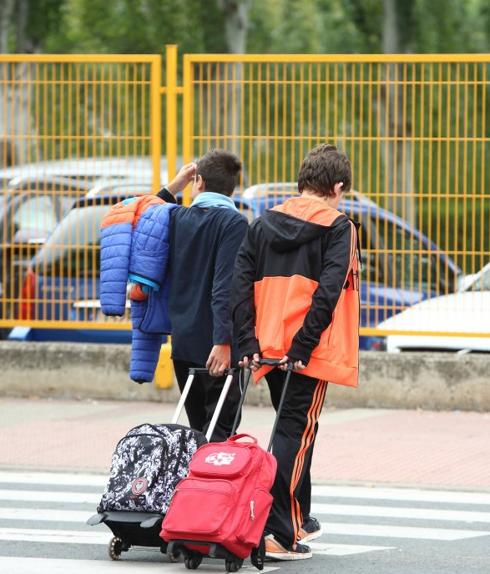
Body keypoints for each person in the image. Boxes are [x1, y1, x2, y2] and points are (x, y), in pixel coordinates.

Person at [232, 144, 360, 560]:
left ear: (302, 181)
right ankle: (279, 533)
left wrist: (247, 341)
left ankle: (297, 516)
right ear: (336, 187)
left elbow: (240, 283)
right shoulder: (339, 227)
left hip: (269, 346)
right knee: (294, 432)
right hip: (308, 351)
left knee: (295, 429)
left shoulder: (263, 222)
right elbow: (329, 290)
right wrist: (304, 344)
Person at [158, 150, 248, 442]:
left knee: (198, 433)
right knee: (221, 436)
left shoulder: (177, 217)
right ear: (231, 189)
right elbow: (225, 286)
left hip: (183, 344)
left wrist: (175, 184)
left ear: (198, 182)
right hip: (216, 348)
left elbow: (146, 214)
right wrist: (223, 341)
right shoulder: (233, 223)